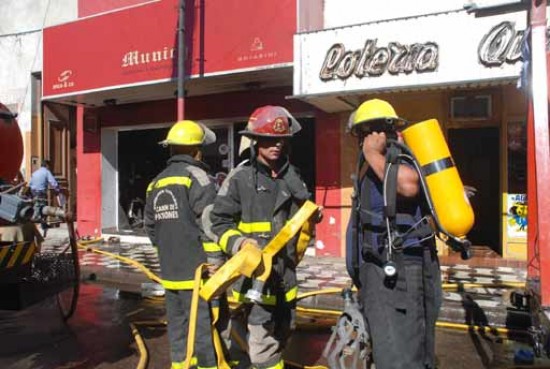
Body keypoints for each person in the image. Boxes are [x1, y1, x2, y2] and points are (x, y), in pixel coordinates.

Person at [207, 105, 311, 369]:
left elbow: (302, 221)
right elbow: (218, 221)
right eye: (268, 139)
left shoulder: (293, 177)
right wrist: (239, 242)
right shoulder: (240, 178)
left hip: (285, 277)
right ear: (255, 141)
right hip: (254, 279)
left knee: (283, 334)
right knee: (263, 347)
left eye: (281, 140)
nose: (275, 145)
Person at [346, 99, 441, 369]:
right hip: (379, 271)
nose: (362, 141)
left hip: (399, 272)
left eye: (364, 133)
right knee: (389, 345)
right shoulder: (375, 164)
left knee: (401, 352)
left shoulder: (397, 157)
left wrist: (374, 154)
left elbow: (409, 186)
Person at [144, 120, 224, 369]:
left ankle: (180, 365)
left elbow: (150, 226)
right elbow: (209, 224)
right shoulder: (198, 177)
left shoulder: (155, 183)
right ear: (196, 150)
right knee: (201, 326)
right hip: (196, 271)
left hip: (169, 270)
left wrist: (166, 253)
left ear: (171, 149)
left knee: (177, 324)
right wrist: (215, 262)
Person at [29, 159, 60, 227]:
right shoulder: (46, 172)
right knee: (43, 207)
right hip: (41, 192)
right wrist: (57, 189)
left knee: (37, 206)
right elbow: (53, 182)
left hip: (33, 192)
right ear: (47, 165)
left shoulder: (35, 172)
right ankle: (42, 224)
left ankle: (40, 223)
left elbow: (30, 183)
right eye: (49, 166)